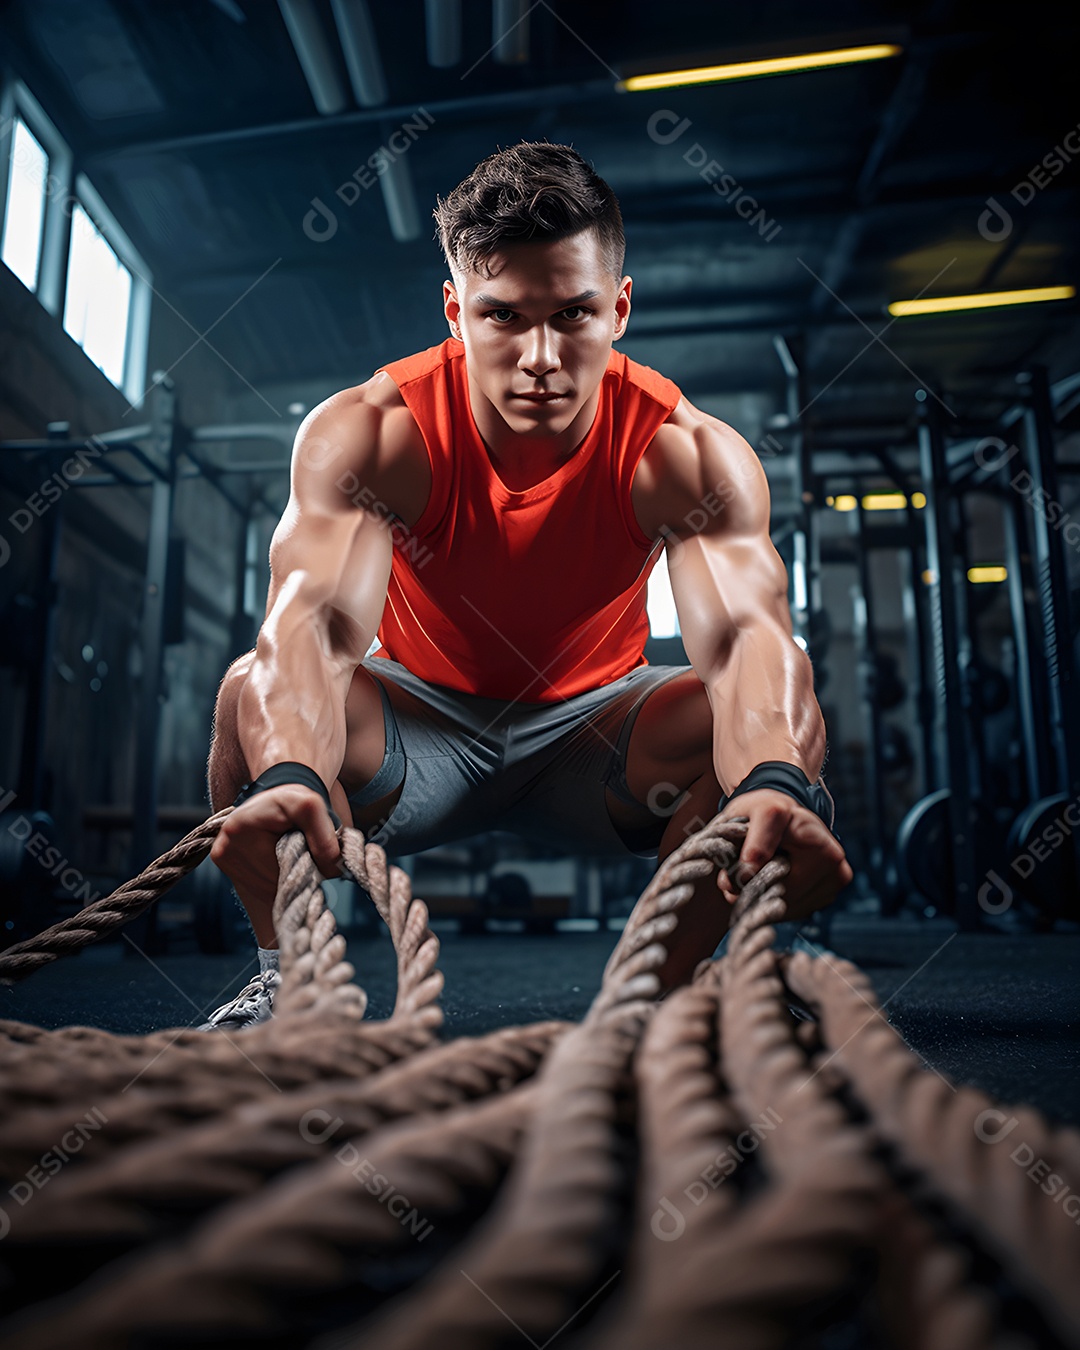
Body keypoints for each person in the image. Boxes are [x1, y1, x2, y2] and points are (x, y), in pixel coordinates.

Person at [199, 142, 851, 1031]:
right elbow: (312, 627)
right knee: (251, 691)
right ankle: (291, 986)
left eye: (573, 313)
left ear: (619, 308)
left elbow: (746, 643)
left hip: (599, 738)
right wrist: (286, 773)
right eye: (503, 316)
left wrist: (773, 781)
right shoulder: (372, 434)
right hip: (420, 730)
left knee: (772, 715)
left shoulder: (684, 452)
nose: (539, 356)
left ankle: (672, 1002)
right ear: (455, 312)